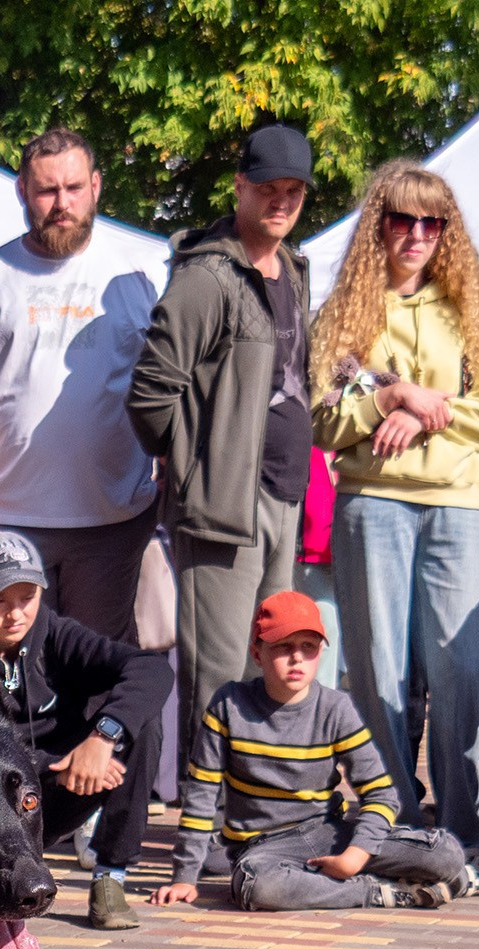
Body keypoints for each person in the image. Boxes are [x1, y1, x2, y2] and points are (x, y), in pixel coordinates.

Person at [311, 161, 479, 852]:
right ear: (380, 226)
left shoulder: (472, 309)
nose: (418, 234)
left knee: (462, 669)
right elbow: (322, 420)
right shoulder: (345, 314)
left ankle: (464, 826)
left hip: (456, 504)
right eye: (403, 219)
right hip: (370, 501)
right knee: (376, 671)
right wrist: (387, 400)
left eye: (434, 223)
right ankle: (395, 822)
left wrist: (424, 411)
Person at [131, 121, 317, 878]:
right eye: (267, 187)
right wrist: (199, 464)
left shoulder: (294, 270)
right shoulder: (207, 275)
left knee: (275, 667)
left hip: (284, 496)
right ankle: (203, 840)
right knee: (216, 679)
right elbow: (150, 395)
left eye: (293, 190)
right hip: (223, 506)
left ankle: (258, 823)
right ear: (238, 186)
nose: (280, 201)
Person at [0, 128, 164, 640]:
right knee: (15, 682)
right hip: (9, 520)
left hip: (112, 524)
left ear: (97, 186)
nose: (63, 204)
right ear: (21, 191)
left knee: (98, 676)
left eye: (74, 188)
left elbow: (166, 390)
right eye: (47, 191)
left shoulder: (138, 276)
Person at [154, 588, 465, 912]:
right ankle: (376, 891)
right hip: (263, 847)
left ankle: (337, 878)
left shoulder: (336, 708)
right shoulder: (228, 705)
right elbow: (201, 795)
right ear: (257, 653)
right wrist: (184, 877)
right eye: (283, 647)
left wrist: (356, 854)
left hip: (327, 832)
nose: (297, 658)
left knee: (446, 854)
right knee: (256, 887)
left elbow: (380, 794)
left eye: (309, 648)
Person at [0, 530, 170, 929]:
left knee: (143, 723)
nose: (16, 613)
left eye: (27, 597)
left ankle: (110, 876)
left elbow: (152, 669)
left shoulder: (56, 634)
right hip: (5, 812)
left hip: (72, 787)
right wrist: (65, 761)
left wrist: (103, 738)